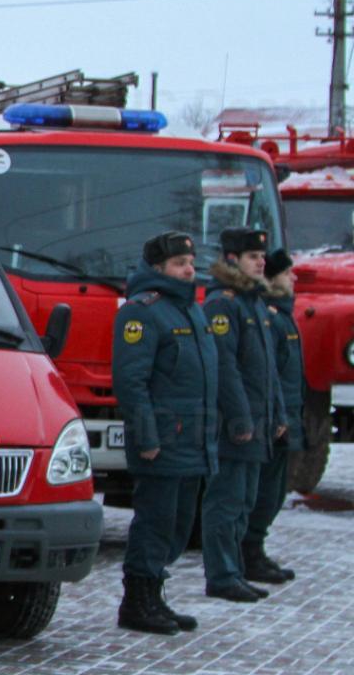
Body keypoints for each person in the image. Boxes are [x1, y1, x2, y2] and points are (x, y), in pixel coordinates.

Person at [110, 231, 217, 634]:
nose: (188, 269)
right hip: (163, 441)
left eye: (190, 263)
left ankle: (155, 594)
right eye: (178, 264)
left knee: (178, 524)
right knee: (155, 522)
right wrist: (148, 437)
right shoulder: (142, 311)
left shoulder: (191, 310)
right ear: (157, 269)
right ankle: (137, 601)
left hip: (193, 440)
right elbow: (131, 381)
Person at [200, 226, 288, 603]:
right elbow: (226, 367)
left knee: (245, 502)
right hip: (237, 424)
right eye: (254, 256)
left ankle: (234, 568)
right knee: (227, 501)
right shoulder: (225, 303)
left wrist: (277, 411)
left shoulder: (253, 301)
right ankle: (221, 575)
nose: (261, 262)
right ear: (233, 258)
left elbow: (267, 370)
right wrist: (241, 418)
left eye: (262, 256)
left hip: (258, 421)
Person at [241, 248, 303, 584]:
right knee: (263, 491)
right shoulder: (270, 314)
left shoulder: (283, 314)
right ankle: (248, 552)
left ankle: (255, 549)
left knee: (275, 491)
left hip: (285, 417)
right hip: (273, 420)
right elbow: (270, 374)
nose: (294, 278)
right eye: (287, 272)